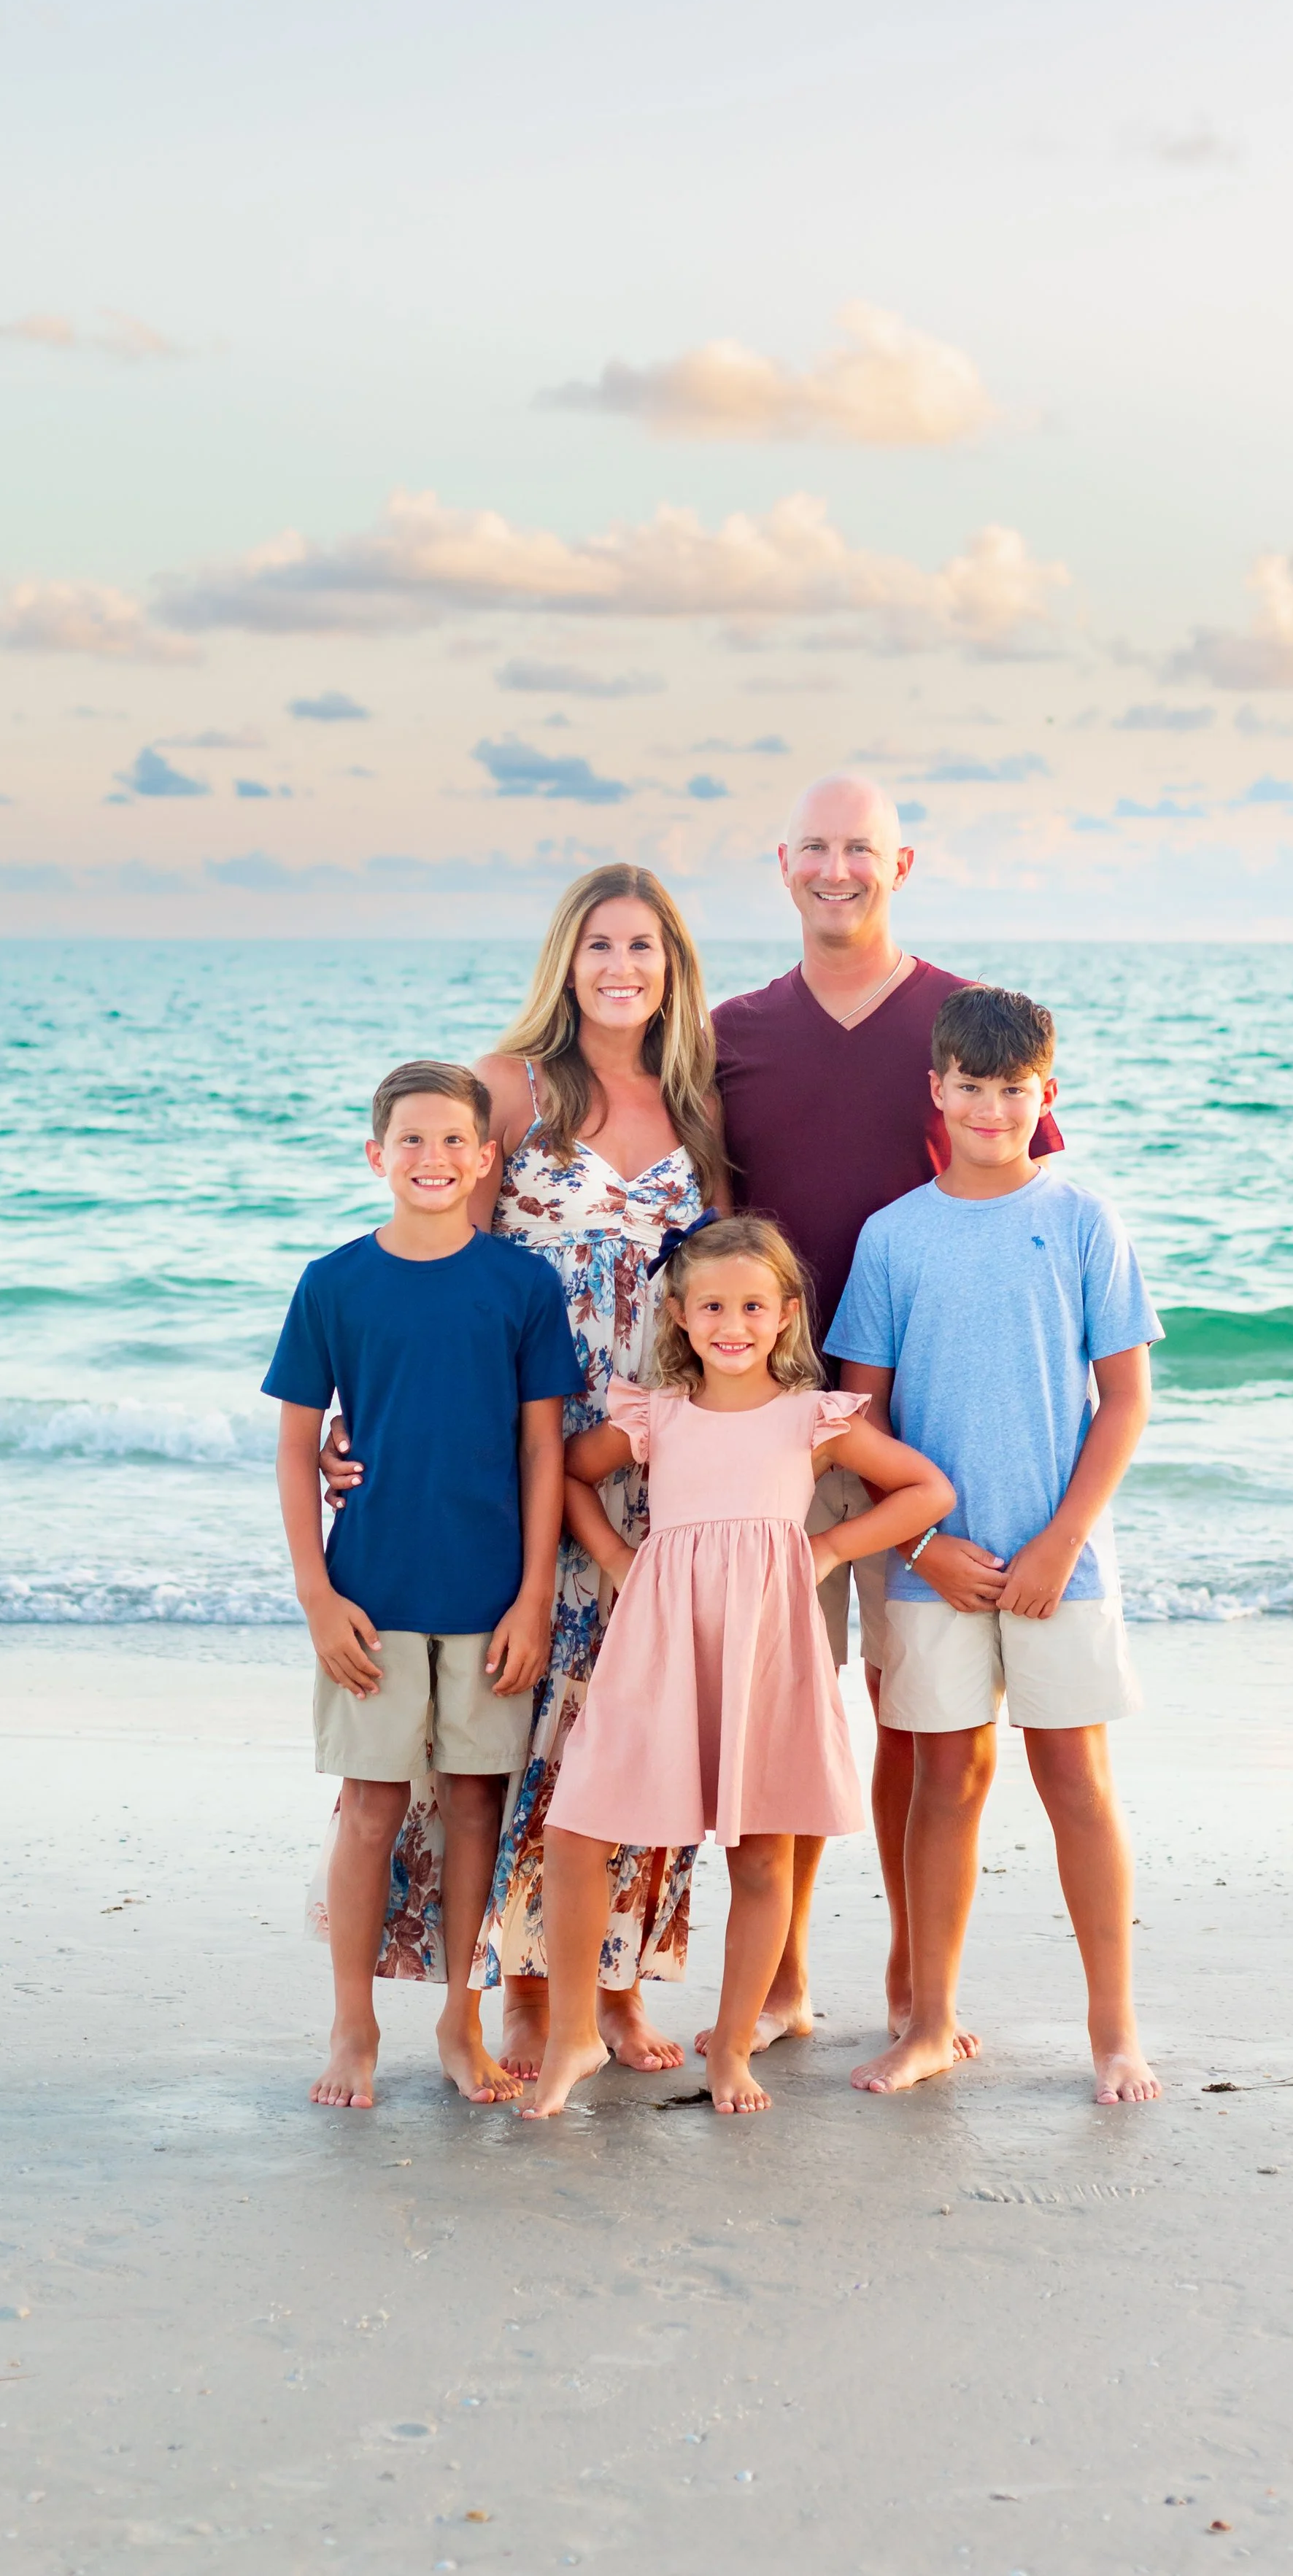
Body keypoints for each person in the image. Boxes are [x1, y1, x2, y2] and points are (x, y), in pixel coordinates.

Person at [319, 865, 730, 2080]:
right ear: (566, 957)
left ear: (673, 966)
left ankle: (615, 1984)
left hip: (661, 1459)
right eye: (599, 943)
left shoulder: (698, 1105)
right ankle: (509, 1993)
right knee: (517, 1729)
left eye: (644, 947)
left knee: (642, 1727)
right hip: (519, 1455)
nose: (621, 966)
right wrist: (363, 1422)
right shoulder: (505, 1090)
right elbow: (425, 1253)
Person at [706, 773, 1062, 2055]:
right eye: (816, 847)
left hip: (920, 1443)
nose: (838, 868)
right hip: (768, 1432)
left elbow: (1027, 1214)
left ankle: (921, 1998)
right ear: (782, 862)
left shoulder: (962, 1027)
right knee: (783, 1713)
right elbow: (680, 1222)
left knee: (924, 1725)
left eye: (862, 847)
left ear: (900, 864)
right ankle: (787, 1978)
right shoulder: (732, 1030)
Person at [522, 1216, 954, 2119]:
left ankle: (731, 2050)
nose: (733, 1323)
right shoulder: (657, 1414)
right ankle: (570, 2035)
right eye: (713, 1305)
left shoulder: (814, 1419)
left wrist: (831, 1545)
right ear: (679, 1316)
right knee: (576, 1832)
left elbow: (927, 1490)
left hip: (767, 1638)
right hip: (658, 1635)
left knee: (761, 1853)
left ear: (786, 1314)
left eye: (754, 1306)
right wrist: (611, 1556)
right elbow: (566, 1474)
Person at [825, 986, 1162, 2103]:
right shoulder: (893, 1236)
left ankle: (1113, 2031)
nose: (987, 1108)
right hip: (933, 1568)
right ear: (937, 1089)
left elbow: (1123, 1400)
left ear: (1045, 1096)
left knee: (1076, 1778)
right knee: (945, 1780)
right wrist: (921, 1548)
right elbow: (856, 1420)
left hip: (1059, 1559)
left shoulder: (1081, 1223)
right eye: (968, 1087)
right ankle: (929, 2021)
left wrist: (1065, 1538)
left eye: (1011, 1090)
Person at [265, 1061, 582, 2110]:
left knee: (479, 1805)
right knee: (370, 1807)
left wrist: (535, 1593)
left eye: (456, 1140)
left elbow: (545, 1453)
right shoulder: (334, 1281)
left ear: (488, 1156)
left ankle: (462, 2016)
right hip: (374, 1596)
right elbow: (297, 1445)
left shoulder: (521, 1286)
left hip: (492, 1598)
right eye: (410, 1139)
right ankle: (352, 2022)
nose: (434, 1158)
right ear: (375, 1155)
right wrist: (317, 1593)